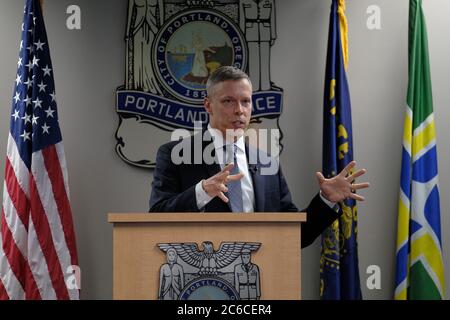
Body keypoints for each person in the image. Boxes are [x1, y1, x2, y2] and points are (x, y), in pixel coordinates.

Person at [149, 66, 369, 248]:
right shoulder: (175, 154)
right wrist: (202, 191)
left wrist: (324, 201)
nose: (239, 110)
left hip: (262, 277)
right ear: (208, 105)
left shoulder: (267, 161)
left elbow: (294, 235)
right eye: (228, 101)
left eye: (246, 101)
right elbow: (157, 217)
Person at [126, 0, 162, 94]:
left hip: (153, 30)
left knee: (150, 58)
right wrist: (127, 33)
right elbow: (130, 14)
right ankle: (138, 85)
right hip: (137, 30)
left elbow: (161, 17)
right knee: (138, 58)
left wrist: (162, 34)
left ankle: (152, 86)